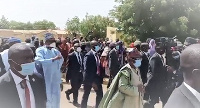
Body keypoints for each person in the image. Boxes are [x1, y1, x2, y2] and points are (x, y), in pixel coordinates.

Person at [0, 43, 46, 108]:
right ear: (11, 62)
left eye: (32, 58)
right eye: (25, 58)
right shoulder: (2, 85)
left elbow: (42, 103)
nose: (30, 61)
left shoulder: (38, 79)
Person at [35, 33, 63, 108]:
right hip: (46, 79)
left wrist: (60, 81)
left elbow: (58, 67)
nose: (53, 42)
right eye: (51, 40)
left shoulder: (56, 51)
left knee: (56, 99)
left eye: (54, 40)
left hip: (55, 80)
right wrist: (53, 59)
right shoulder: (40, 50)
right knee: (47, 98)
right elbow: (38, 60)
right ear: (46, 41)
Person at [81, 41, 103, 108]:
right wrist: (92, 82)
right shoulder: (89, 55)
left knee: (100, 94)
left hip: (96, 77)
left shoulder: (97, 54)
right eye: (97, 45)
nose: (98, 46)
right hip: (89, 79)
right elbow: (87, 70)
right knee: (86, 95)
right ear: (93, 46)